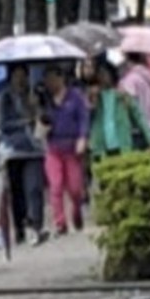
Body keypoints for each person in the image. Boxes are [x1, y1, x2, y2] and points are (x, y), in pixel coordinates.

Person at [0, 64, 48, 247]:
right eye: (16, 75)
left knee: (34, 188)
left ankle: (36, 224)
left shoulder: (35, 94)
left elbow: (46, 116)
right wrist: (24, 121)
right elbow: (3, 125)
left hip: (34, 147)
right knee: (17, 192)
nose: (20, 79)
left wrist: (37, 107)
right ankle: (19, 227)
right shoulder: (5, 97)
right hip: (14, 150)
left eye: (23, 75)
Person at [40, 66, 90, 236]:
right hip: (53, 147)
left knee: (75, 188)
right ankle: (60, 222)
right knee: (56, 185)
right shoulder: (44, 99)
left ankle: (76, 211)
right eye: (47, 80)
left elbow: (84, 117)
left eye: (52, 79)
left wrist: (83, 137)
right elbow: (40, 122)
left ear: (61, 78)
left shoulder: (75, 96)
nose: (50, 83)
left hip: (72, 147)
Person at [89, 58, 150, 159]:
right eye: (99, 74)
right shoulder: (95, 97)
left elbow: (139, 116)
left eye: (104, 74)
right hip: (102, 147)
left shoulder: (122, 95)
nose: (102, 77)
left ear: (111, 75)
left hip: (122, 144)